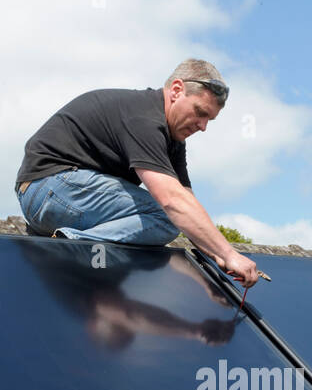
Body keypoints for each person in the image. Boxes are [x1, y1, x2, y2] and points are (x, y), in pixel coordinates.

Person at [14, 59, 260, 286]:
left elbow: (188, 203)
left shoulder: (172, 139)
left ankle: (73, 249)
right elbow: (173, 203)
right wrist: (230, 253)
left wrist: (218, 256)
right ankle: (72, 249)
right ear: (176, 90)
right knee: (167, 216)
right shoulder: (144, 118)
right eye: (200, 112)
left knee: (116, 322)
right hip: (50, 186)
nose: (203, 126)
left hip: (54, 197)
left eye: (210, 120)